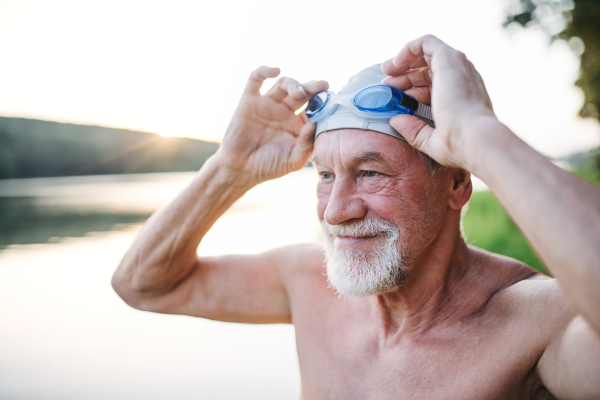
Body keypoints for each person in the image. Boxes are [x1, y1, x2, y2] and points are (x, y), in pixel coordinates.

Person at [112, 35, 600, 399]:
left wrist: (479, 133)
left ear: (456, 183)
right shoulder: (306, 282)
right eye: (325, 176)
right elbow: (145, 285)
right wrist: (229, 170)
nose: (337, 211)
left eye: (370, 174)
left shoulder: (538, 320)